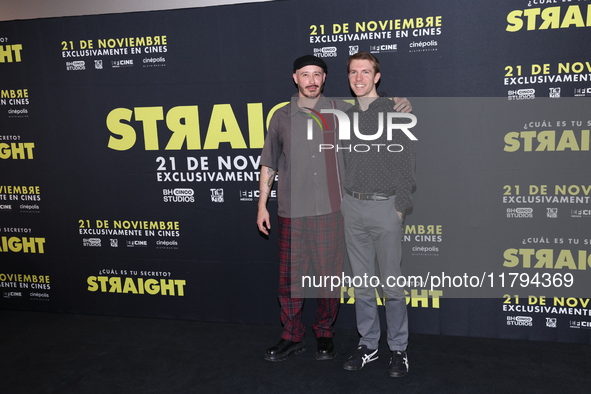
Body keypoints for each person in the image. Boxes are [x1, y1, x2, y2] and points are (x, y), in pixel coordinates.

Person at [257, 54, 411, 362]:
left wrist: (401, 103)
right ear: (295, 78)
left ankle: (324, 332)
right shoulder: (281, 117)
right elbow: (269, 163)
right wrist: (262, 205)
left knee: (329, 278)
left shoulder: (343, 111)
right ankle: (291, 335)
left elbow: (378, 113)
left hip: (333, 210)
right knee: (290, 279)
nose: (311, 80)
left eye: (317, 74)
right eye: (305, 75)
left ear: (324, 79)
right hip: (291, 212)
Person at [340, 52, 416, 378]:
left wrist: (398, 209)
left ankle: (398, 349)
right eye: (354, 72)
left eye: (366, 72)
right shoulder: (343, 115)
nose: (359, 77)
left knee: (392, 286)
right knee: (361, 283)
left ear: (377, 76)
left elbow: (407, 166)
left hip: (386, 208)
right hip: (352, 207)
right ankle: (368, 345)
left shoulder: (394, 111)